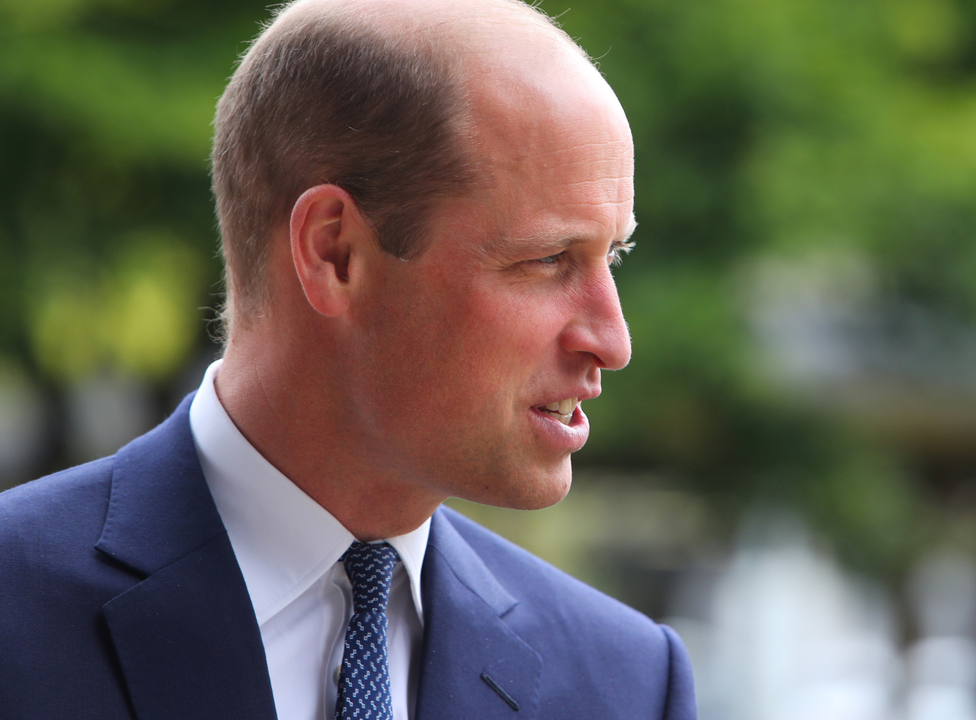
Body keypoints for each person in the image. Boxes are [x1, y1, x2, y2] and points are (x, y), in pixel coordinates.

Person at [0, 0, 696, 717]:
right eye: (549, 259)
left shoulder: (627, 683)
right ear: (335, 253)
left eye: (613, 255)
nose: (612, 341)